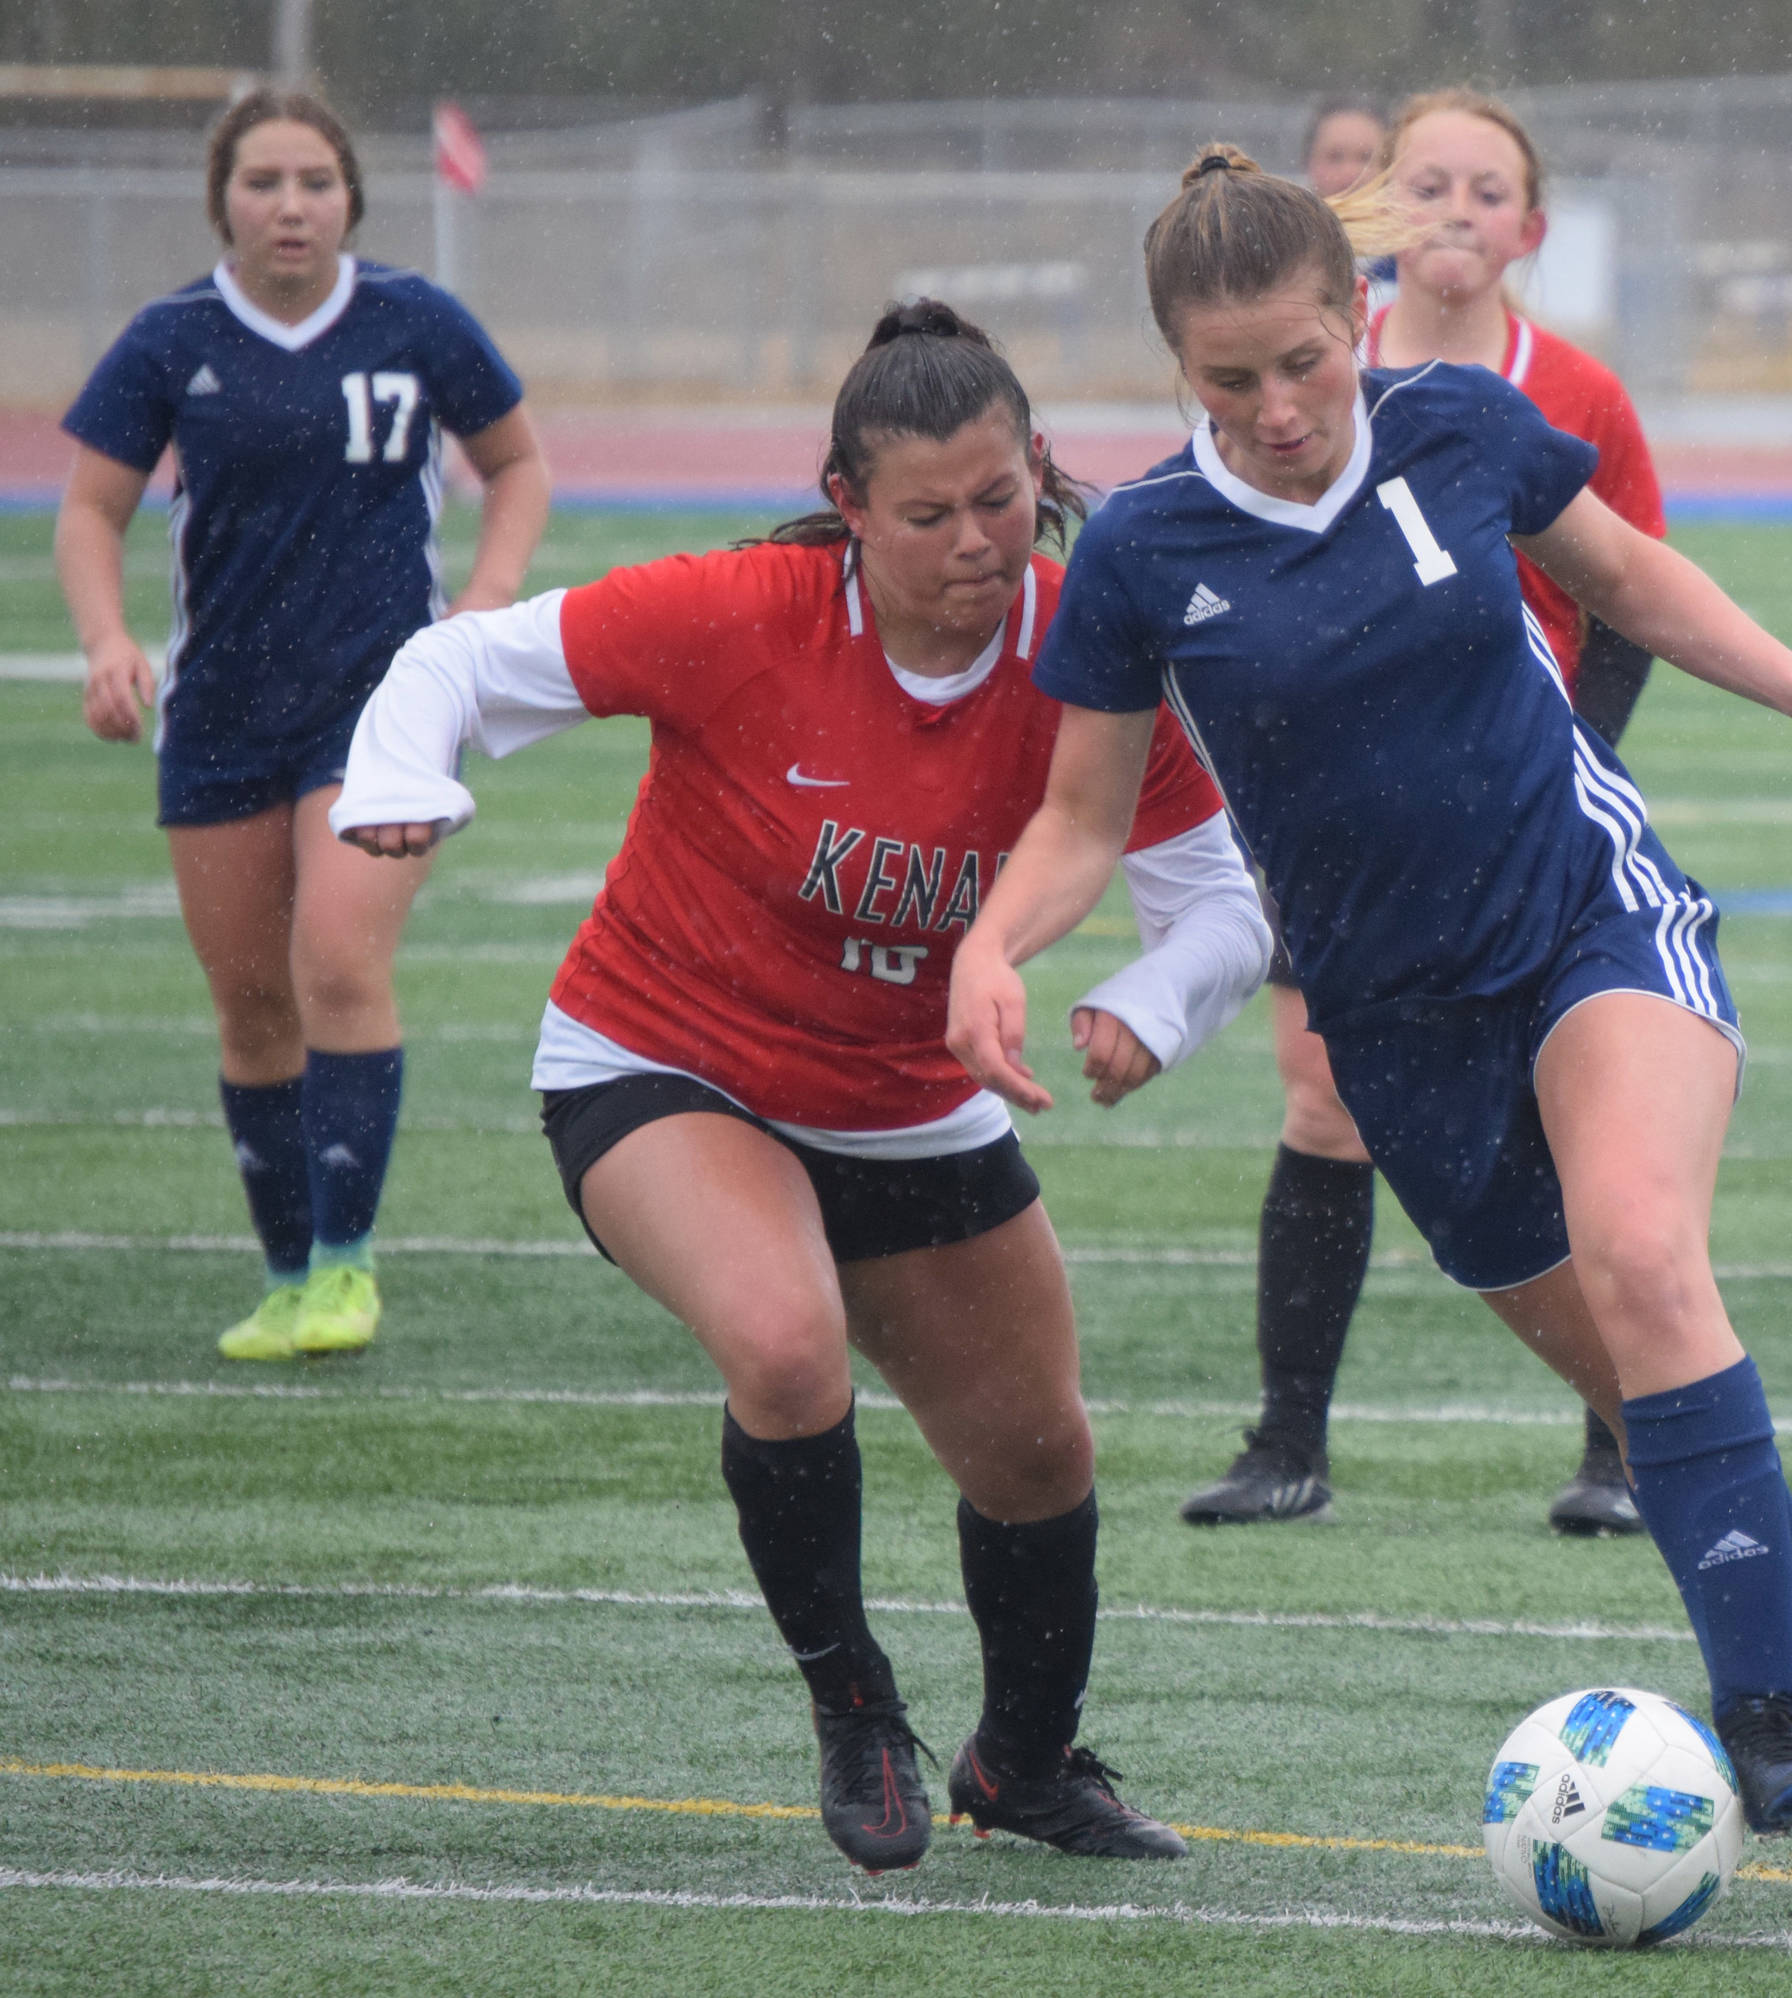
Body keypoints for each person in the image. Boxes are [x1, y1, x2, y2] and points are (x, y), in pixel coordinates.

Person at [949, 149, 1792, 1885]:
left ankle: (1756, 1718)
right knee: (1657, 1399)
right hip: (1395, 1030)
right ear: (1173, 373)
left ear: (1353, 318)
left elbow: (1629, 577)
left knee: (1648, 1262)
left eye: (1303, 360)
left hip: (1589, 921)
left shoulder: (1454, 429)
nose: (1278, 407)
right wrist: (997, 947)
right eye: (1229, 380)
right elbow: (1078, 814)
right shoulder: (1138, 549)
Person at [331, 302, 1270, 1874]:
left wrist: (1151, 1003)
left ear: (1039, 471)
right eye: (927, 514)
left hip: (910, 1103)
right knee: (783, 1340)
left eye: (1001, 499)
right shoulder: (740, 610)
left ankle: (1023, 1764)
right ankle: (855, 1703)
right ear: (845, 502)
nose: (978, 541)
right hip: (663, 1058)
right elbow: (454, 664)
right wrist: (403, 780)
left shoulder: (1089, 643)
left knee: (1039, 1455)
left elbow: (1221, 898)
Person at [1181, 89, 1665, 1535]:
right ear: (1377, 209)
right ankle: (1288, 1443)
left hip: (1519, 821)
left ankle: (1625, 1442)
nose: (1456, 210)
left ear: (1532, 226)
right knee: (1327, 1102)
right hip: (1333, 819)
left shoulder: (1571, 393)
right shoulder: (1302, 370)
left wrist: (1578, 757)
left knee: (1570, 1107)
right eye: (1428, 183)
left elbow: (1630, 595)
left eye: (1487, 189)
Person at [55, 89, 549, 1363]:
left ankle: (346, 1267)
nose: (291, 206)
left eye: (315, 182)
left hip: (379, 709)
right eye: (264, 181)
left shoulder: (415, 320)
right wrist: (110, 643)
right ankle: (284, 1276)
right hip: (220, 712)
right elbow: (91, 511)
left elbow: (518, 464)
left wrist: (482, 613)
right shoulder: (170, 338)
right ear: (222, 195)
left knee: (336, 961)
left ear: (351, 199)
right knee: (252, 1009)